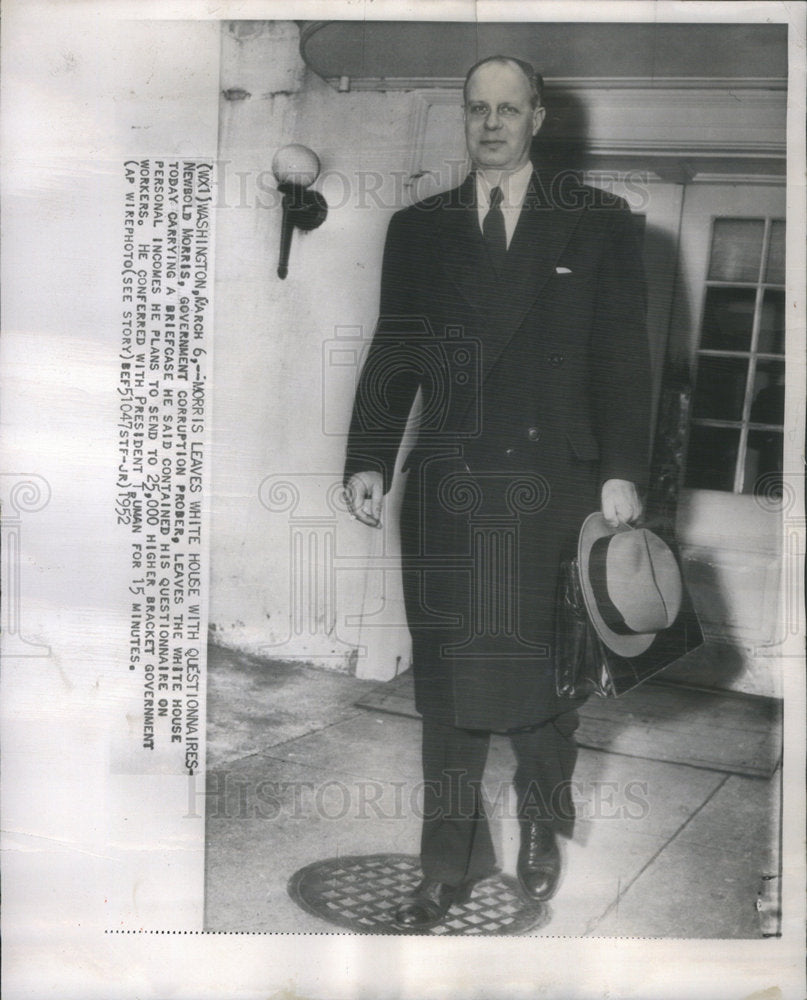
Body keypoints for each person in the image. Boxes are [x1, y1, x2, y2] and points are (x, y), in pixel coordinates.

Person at [344, 54, 651, 930]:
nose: (490, 123)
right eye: (476, 109)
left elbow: (624, 360)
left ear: (537, 119)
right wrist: (367, 456)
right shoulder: (420, 227)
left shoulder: (600, 224)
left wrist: (622, 469)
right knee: (446, 686)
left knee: (543, 684)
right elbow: (393, 350)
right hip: (448, 488)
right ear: (463, 117)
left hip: (553, 486)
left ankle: (544, 823)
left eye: (507, 109)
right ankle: (449, 860)